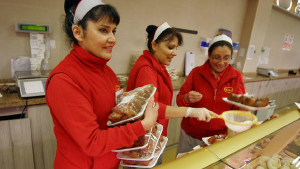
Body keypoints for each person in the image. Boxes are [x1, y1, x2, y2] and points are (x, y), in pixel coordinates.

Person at [45, 0, 159, 168]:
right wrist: (144, 125)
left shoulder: (107, 72)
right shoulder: (64, 79)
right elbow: (92, 142)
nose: (112, 39)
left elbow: (113, 118)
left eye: (114, 31)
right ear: (78, 32)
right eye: (103, 30)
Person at [126, 22, 219, 164]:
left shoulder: (157, 66)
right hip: (144, 140)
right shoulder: (146, 69)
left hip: (154, 134)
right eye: (170, 47)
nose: (175, 53)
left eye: (175, 48)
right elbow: (152, 108)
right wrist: (190, 112)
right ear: (154, 45)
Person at [176, 34, 246, 154]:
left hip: (217, 138)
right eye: (216, 57)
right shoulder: (196, 73)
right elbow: (179, 100)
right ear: (209, 55)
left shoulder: (236, 77)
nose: (221, 63)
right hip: (190, 134)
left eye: (226, 58)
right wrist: (187, 98)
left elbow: (239, 109)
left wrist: (244, 106)